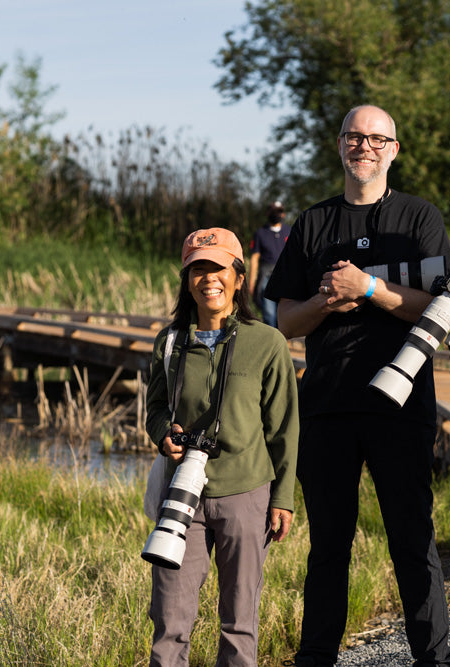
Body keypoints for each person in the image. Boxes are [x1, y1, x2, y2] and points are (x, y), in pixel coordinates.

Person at [265, 105, 450, 667]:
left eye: (377, 138)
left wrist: (369, 287)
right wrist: (328, 299)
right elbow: (286, 321)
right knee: (328, 548)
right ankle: (317, 658)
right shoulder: (314, 222)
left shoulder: (419, 219)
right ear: (340, 145)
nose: (364, 146)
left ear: (395, 149)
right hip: (326, 405)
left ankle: (434, 661)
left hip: (400, 403)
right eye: (354, 136)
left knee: (412, 544)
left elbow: (442, 309)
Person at [145, 227, 299, 667]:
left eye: (217, 268)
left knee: (239, 619)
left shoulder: (266, 343)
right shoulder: (170, 342)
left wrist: (283, 498)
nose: (207, 278)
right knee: (170, 619)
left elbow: (285, 429)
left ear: (237, 276)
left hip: (247, 492)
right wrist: (163, 435)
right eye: (197, 269)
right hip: (182, 498)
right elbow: (155, 407)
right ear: (186, 280)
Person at [249, 200, 292, 327]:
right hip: (266, 275)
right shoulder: (260, 233)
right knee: (269, 313)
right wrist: (252, 282)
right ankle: (273, 341)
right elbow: (254, 258)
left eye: (278, 212)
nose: (275, 214)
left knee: (284, 311)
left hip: (285, 275)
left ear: (283, 214)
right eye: (273, 211)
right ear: (268, 213)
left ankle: (283, 340)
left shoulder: (290, 231)